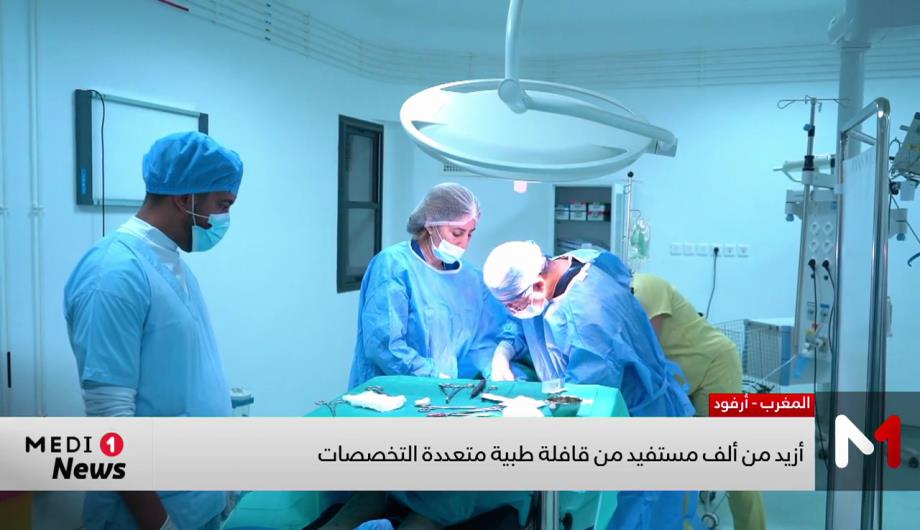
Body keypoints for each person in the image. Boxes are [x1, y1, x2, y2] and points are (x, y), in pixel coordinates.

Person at [64, 131, 243, 530]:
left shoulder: (172, 265)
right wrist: (159, 523)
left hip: (196, 501)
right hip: (148, 514)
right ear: (185, 198)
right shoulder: (112, 275)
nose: (224, 219)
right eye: (223, 205)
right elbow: (111, 422)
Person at [482, 242, 698, 530]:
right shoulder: (561, 267)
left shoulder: (589, 316)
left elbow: (585, 397)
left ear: (537, 283)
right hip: (608, 416)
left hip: (634, 425)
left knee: (634, 513)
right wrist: (504, 352)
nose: (513, 311)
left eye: (514, 305)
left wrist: (537, 413)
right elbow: (525, 322)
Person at [631, 273, 766, 530]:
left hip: (715, 365)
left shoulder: (646, 286)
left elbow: (649, 345)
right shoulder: (614, 305)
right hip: (679, 379)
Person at [348, 182, 505, 387]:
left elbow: (481, 343)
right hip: (391, 394)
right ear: (431, 224)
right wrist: (433, 378)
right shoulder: (394, 266)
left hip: (447, 394)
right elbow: (384, 346)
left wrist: (496, 368)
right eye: (457, 233)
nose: (464, 243)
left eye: (470, 234)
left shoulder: (471, 279)